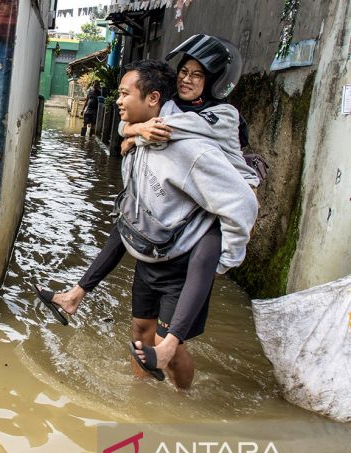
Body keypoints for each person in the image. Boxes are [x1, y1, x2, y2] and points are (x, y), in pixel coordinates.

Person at [38, 36, 256, 377]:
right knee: (140, 331)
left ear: (215, 82)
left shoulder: (216, 121)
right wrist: (134, 132)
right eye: (183, 71)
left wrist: (134, 132)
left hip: (213, 214)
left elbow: (167, 130)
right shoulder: (169, 114)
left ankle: (180, 396)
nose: (186, 79)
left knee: (168, 339)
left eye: (197, 76)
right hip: (159, 245)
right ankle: (138, 396)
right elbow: (146, 121)